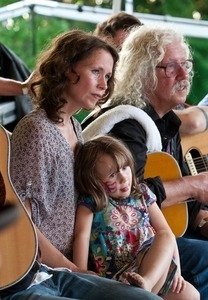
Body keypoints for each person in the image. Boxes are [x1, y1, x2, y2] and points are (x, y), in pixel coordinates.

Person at [1, 29, 161, 300]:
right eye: (96, 72)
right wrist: (75, 268)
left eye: (108, 76)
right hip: (38, 273)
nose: (103, 85)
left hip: (70, 265)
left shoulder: (74, 127)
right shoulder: (37, 130)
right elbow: (22, 224)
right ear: (65, 69)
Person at [82, 24, 208, 299]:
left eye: (185, 64)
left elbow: (182, 205)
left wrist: (201, 220)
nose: (185, 74)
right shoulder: (128, 125)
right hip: (121, 249)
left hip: (154, 237)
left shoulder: (167, 122)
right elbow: (126, 199)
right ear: (145, 73)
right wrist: (192, 185)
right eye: (171, 67)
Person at [73, 134, 199, 299]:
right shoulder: (92, 202)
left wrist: (177, 273)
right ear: (94, 181)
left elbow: (165, 233)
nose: (123, 177)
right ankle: (143, 291)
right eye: (112, 175)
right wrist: (81, 274)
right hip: (118, 278)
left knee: (191, 295)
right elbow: (81, 236)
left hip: (152, 271)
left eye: (125, 168)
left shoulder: (142, 194)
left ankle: (144, 287)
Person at [92, 12, 208, 137]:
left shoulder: (167, 114)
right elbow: (193, 122)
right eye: (122, 51)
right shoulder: (121, 117)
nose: (185, 75)